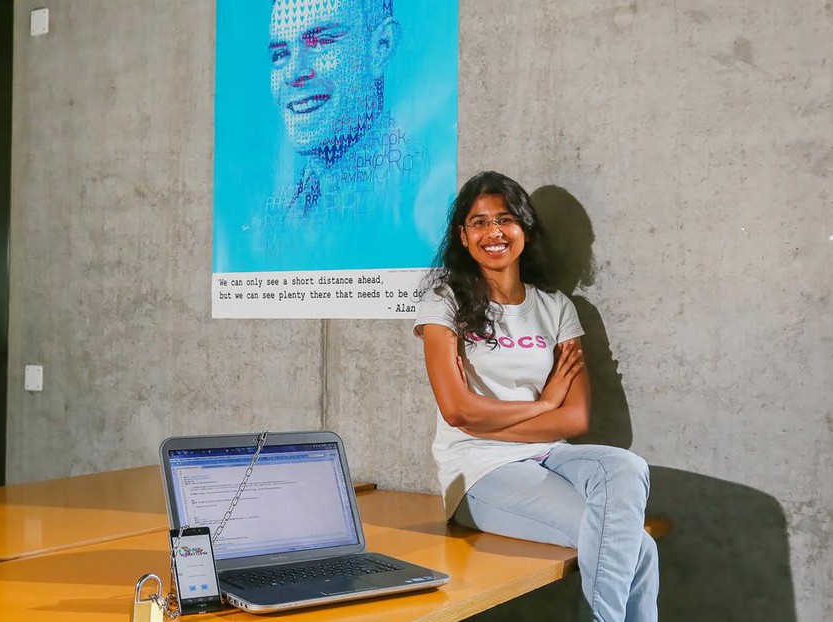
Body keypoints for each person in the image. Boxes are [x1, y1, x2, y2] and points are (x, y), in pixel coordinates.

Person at [414, 171, 659, 621]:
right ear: (462, 235)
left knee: (628, 465)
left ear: (523, 228)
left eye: (505, 219)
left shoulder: (556, 307)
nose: (493, 232)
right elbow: (458, 411)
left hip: (551, 455)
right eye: (479, 222)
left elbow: (577, 418)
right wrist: (545, 404)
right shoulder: (443, 302)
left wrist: (513, 416)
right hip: (480, 469)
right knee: (634, 546)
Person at [267, 0, 404, 214]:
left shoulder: (407, 191)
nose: (292, 73)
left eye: (321, 42)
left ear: (380, 47)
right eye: (280, 54)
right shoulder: (285, 210)